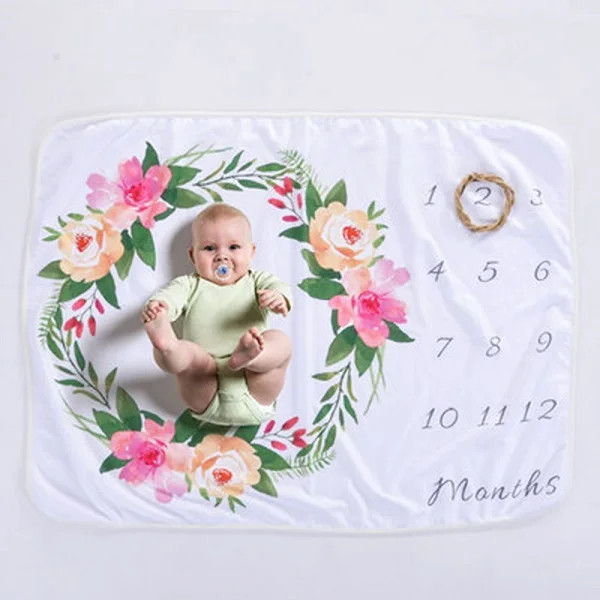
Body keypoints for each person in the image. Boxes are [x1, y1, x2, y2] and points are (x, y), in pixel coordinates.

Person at [141, 203, 292, 426]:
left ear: (251, 252)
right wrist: (160, 307)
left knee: (280, 342)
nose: (222, 256)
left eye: (233, 247)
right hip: (206, 381)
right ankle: (168, 348)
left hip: (255, 384)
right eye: (210, 248)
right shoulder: (190, 284)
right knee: (190, 356)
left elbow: (280, 286)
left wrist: (278, 297)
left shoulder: (256, 281)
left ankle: (253, 356)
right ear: (193, 256)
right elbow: (170, 296)